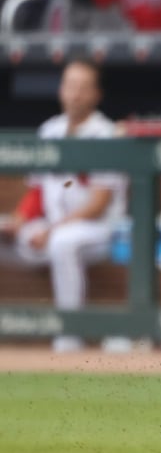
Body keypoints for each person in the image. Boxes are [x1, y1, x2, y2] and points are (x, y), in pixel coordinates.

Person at [0, 60, 125, 353]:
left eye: (83, 87)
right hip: (51, 227)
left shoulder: (106, 134)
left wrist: (51, 230)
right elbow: (37, 192)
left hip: (98, 232)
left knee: (62, 242)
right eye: (70, 86)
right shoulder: (49, 130)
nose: (75, 94)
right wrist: (17, 221)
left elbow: (99, 203)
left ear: (97, 94)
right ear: (60, 90)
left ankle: (69, 338)